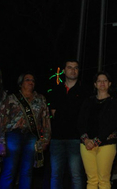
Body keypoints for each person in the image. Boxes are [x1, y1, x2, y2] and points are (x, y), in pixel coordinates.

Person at [0, 72, 51, 189]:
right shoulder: (11, 99)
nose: (31, 82)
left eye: (33, 80)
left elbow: (46, 120)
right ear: (20, 83)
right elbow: (1, 121)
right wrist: (0, 142)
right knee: (9, 170)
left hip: (31, 137)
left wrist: (45, 139)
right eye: (27, 80)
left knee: (27, 171)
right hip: (13, 135)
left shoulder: (40, 99)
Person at [48, 59, 88, 189]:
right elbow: (53, 112)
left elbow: (84, 115)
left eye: (76, 67)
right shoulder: (56, 89)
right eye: (70, 67)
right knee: (56, 174)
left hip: (76, 138)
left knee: (76, 174)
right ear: (64, 70)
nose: (73, 70)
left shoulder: (84, 90)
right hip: (57, 138)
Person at [78, 71, 117, 189]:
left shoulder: (114, 102)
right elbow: (81, 122)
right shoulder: (87, 101)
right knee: (91, 180)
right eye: (99, 81)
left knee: (103, 180)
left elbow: (113, 124)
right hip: (86, 144)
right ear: (95, 84)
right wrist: (86, 140)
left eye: (105, 80)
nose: (102, 83)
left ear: (109, 83)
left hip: (106, 144)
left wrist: (97, 140)